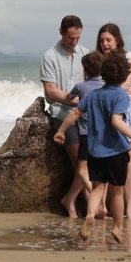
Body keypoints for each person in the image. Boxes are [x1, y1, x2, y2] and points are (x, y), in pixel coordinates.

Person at [53, 53, 131, 243]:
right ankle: (116, 227)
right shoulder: (121, 96)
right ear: (124, 76)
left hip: (95, 151)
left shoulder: (94, 94)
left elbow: (75, 112)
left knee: (97, 188)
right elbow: (116, 121)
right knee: (117, 191)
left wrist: (61, 131)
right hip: (116, 151)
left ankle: (90, 216)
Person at [96, 23, 131, 219]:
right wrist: (121, 88)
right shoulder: (97, 60)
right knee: (106, 159)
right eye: (102, 40)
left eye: (108, 39)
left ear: (117, 40)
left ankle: (129, 210)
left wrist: (120, 88)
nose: (105, 44)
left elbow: (126, 83)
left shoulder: (129, 58)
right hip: (105, 110)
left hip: (127, 110)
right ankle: (104, 207)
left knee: (130, 162)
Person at [40, 15, 88, 217]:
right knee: (80, 159)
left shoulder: (85, 54)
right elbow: (50, 92)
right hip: (61, 113)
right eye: (70, 37)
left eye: (77, 37)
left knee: (91, 157)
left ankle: (89, 203)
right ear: (61, 33)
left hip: (84, 113)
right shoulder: (49, 56)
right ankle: (77, 200)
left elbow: (95, 82)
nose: (74, 42)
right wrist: (73, 100)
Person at [67, 51, 105, 197]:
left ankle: (96, 195)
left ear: (85, 69)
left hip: (85, 134)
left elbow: (70, 98)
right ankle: (100, 201)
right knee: (100, 170)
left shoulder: (80, 86)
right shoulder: (107, 86)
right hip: (103, 134)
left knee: (83, 170)